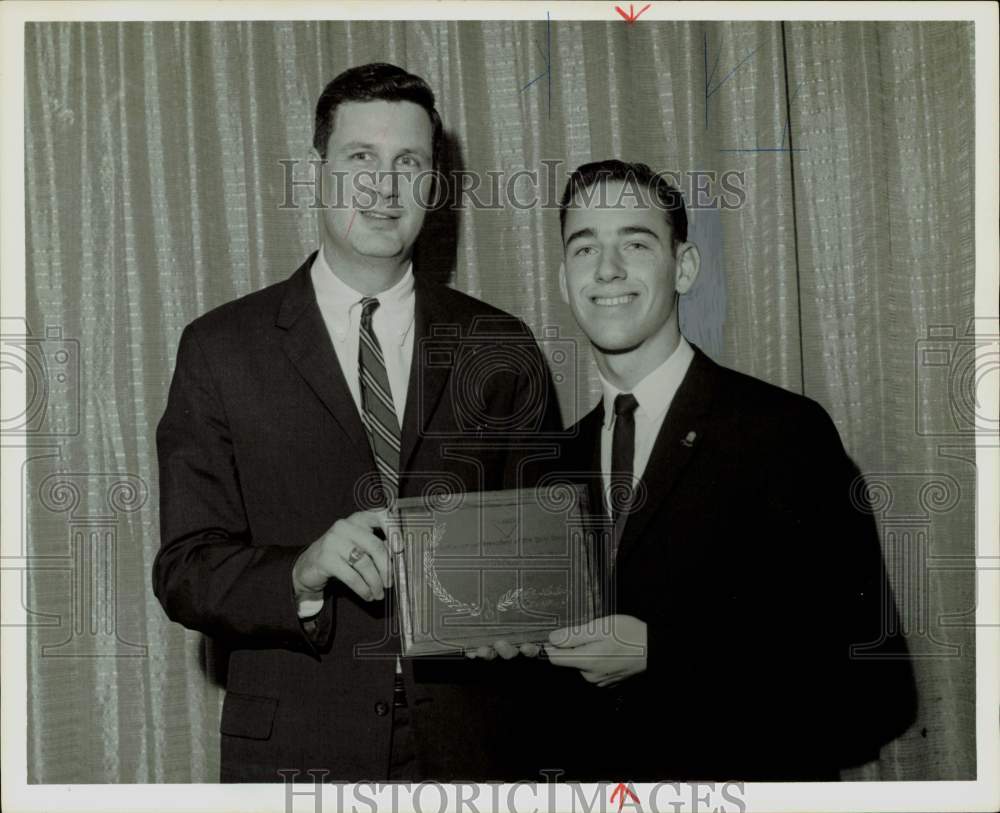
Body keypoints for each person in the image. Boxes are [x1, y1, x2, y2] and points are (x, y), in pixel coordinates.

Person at [153, 63, 561, 782]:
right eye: (360, 158)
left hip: (478, 752)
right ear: (318, 172)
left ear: (435, 185)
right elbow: (185, 569)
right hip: (296, 753)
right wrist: (301, 572)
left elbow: (549, 556)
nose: (385, 185)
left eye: (410, 162)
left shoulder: (501, 344)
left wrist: (525, 621)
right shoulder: (221, 348)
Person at [536, 159, 917, 780]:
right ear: (563, 278)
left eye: (635, 242)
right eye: (585, 249)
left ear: (683, 266)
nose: (607, 270)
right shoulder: (553, 462)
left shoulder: (784, 432)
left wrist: (667, 653)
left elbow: (872, 685)